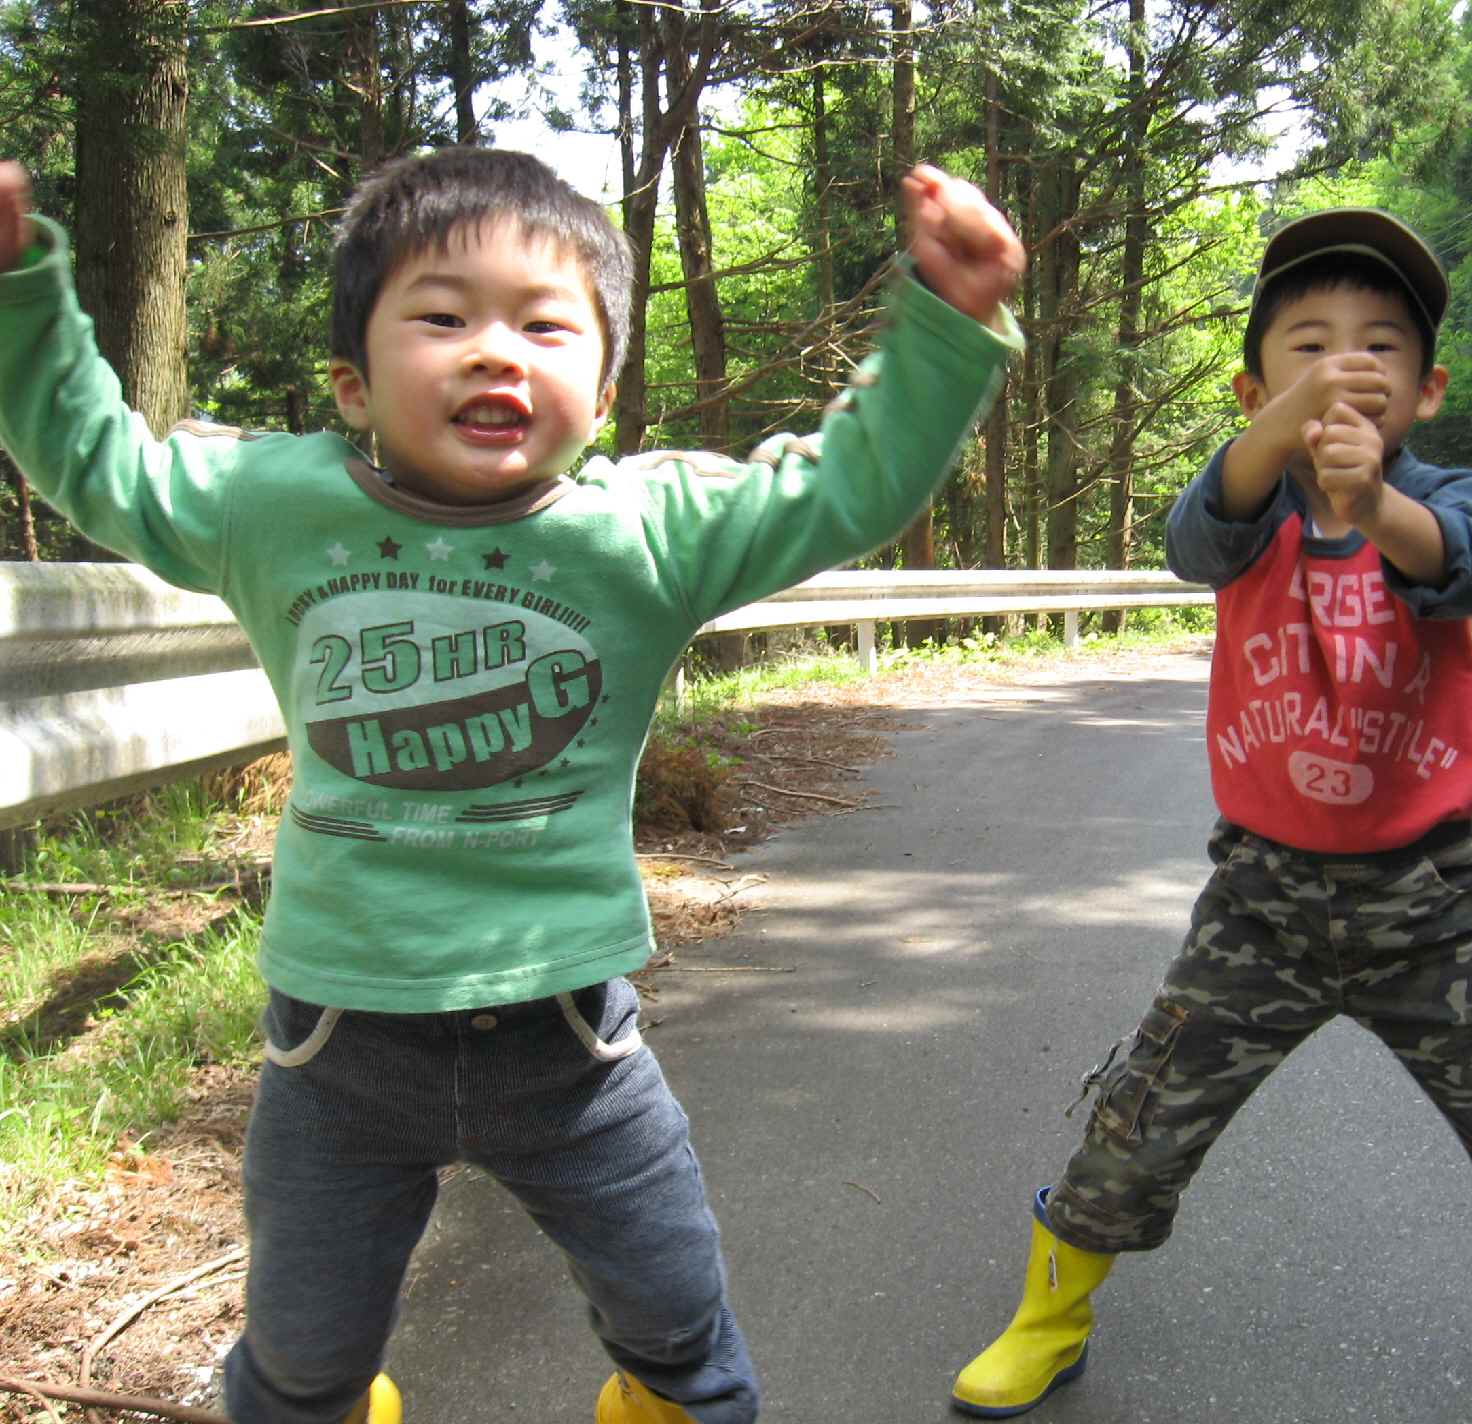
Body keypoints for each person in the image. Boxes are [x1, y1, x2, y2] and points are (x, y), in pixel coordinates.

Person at [0, 148, 1022, 1424]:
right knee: (301, 1361)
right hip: (336, 1048)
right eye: (440, 316)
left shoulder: (646, 530)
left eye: (544, 325)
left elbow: (844, 487)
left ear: (601, 386)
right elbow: (94, 461)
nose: (495, 351)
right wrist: (16, 290)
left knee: (680, 1327)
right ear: (351, 383)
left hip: (573, 1047)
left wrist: (947, 324)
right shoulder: (269, 503)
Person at [950, 208, 1472, 1424]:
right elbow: (1195, 538)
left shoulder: (1447, 493)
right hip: (1260, 903)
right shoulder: (1245, 513)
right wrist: (1275, 444)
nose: (1342, 367)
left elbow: (1471, 566)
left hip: (1430, 906)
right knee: (1139, 1118)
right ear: (1253, 387)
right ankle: (1051, 1312)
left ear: (1428, 388)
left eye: (1378, 348)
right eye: (1306, 346)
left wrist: (1380, 504)